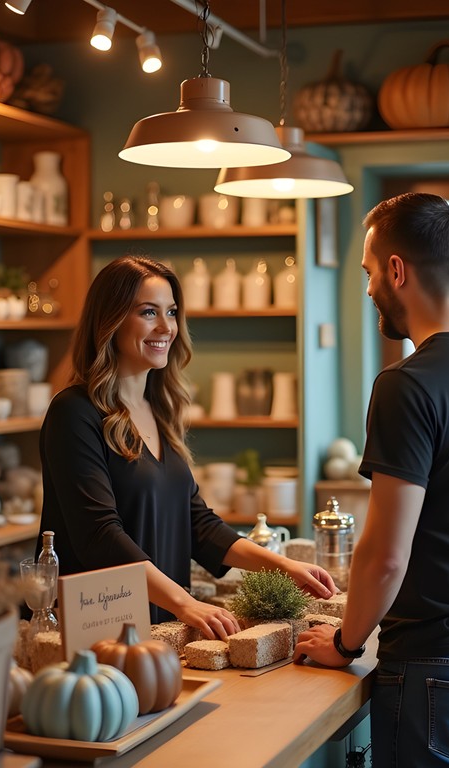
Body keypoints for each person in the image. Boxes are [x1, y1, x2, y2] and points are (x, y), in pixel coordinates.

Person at [294, 193, 449, 767]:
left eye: (367, 272)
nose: (367, 289)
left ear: (396, 270)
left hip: (440, 668)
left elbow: (385, 554)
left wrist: (343, 644)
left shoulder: (406, 385)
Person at [39, 255, 335, 640]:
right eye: (148, 312)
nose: (166, 327)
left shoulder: (158, 409)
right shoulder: (74, 413)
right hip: (100, 633)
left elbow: (198, 524)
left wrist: (283, 565)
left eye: (172, 312)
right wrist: (184, 602)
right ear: (109, 321)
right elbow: (99, 536)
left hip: (164, 629)